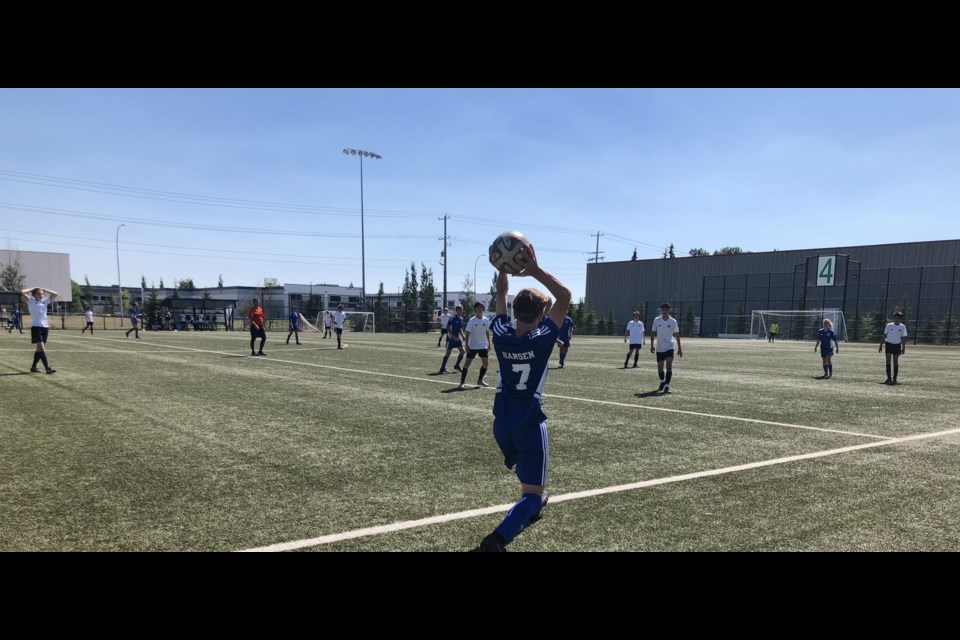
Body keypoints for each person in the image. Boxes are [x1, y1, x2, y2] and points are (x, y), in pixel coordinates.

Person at [471, 243, 571, 552]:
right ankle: (497, 539)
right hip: (528, 423)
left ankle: (530, 506)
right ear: (542, 314)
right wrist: (535, 270)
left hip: (501, 424)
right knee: (532, 495)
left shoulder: (500, 333)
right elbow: (565, 297)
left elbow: (500, 296)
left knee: (530, 487)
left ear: (515, 311)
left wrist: (502, 268)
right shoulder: (542, 340)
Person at [21, 287, 57, 374]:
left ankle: (33, 367)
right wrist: (33, 288)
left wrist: (44, 289)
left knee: (39, 349)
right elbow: (22, 291)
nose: (41, 295)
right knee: (41, 347)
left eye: (42, 294)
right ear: (34, 294)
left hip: (45, 327)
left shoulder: (45, 301)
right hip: (36, 327)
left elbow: (55, 294)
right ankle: (47, 368)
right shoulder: (30, 301)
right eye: (39, 293)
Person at [458, 301, 492, 389]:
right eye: (478, 307)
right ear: (475, 309)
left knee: (486, 363)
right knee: (467, 363)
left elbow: (487, 332)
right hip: (472, 345)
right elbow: (467, 333)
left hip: (482, 345)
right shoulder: (472, 320)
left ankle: (480, 380)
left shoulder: (486, 320)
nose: (480, 309)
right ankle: (462, 382)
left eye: (482, 307)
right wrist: (466, 345)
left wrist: (489, 344)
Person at [650, 303, 682, 392]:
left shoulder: (673, 321)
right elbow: (653, 332)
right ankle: (663, 381)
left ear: (669, 310)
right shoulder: (656, 320)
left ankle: (667, 385)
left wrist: (679, 347)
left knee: (669, 365)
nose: (664, 311)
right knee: (660, 369)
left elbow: (677, 334)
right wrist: (652, 345)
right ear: (661, 310)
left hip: (669, 346)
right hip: (659, 347)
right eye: (663, 309)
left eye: (666, 309)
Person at [880, 311, 908, 384]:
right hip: (889, 344)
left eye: (898, 318)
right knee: (888, 360)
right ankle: (888, 378)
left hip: (897, 345)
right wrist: (880, 345)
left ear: (900, 319)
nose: (896, 319)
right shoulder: (889, 325)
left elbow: (903, 338)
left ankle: (895, 378)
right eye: (895, 318)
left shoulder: (903, 327)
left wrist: (903, 348)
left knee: (895, 361)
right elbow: (885, 335)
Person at [438, 305, 466, 373]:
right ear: (457, 310)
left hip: (456, 338)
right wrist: (452, 335)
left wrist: (463, 335)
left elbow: (460, 328)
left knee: (463, 351)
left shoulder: (461, 319)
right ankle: (442, 368)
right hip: (450, 338)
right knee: (448, 353)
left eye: (462, 310)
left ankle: (457, 365)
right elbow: (447, 327)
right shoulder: (452, 318)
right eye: (460, 310)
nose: (462, 311)